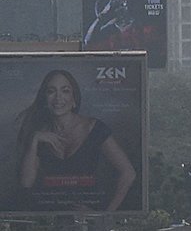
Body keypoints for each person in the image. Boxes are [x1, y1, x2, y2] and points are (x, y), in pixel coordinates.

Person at [16, 69, 136, 212]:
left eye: (65, 91)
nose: (58, 97)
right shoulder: (39, 134)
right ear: (45, 99)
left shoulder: (95, 129)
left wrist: (105, 214)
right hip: (49, 217)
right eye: (51, 91)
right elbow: (26, 182)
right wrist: (34, 139)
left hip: (89, 217)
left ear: (74, 99)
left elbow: (128, 173)